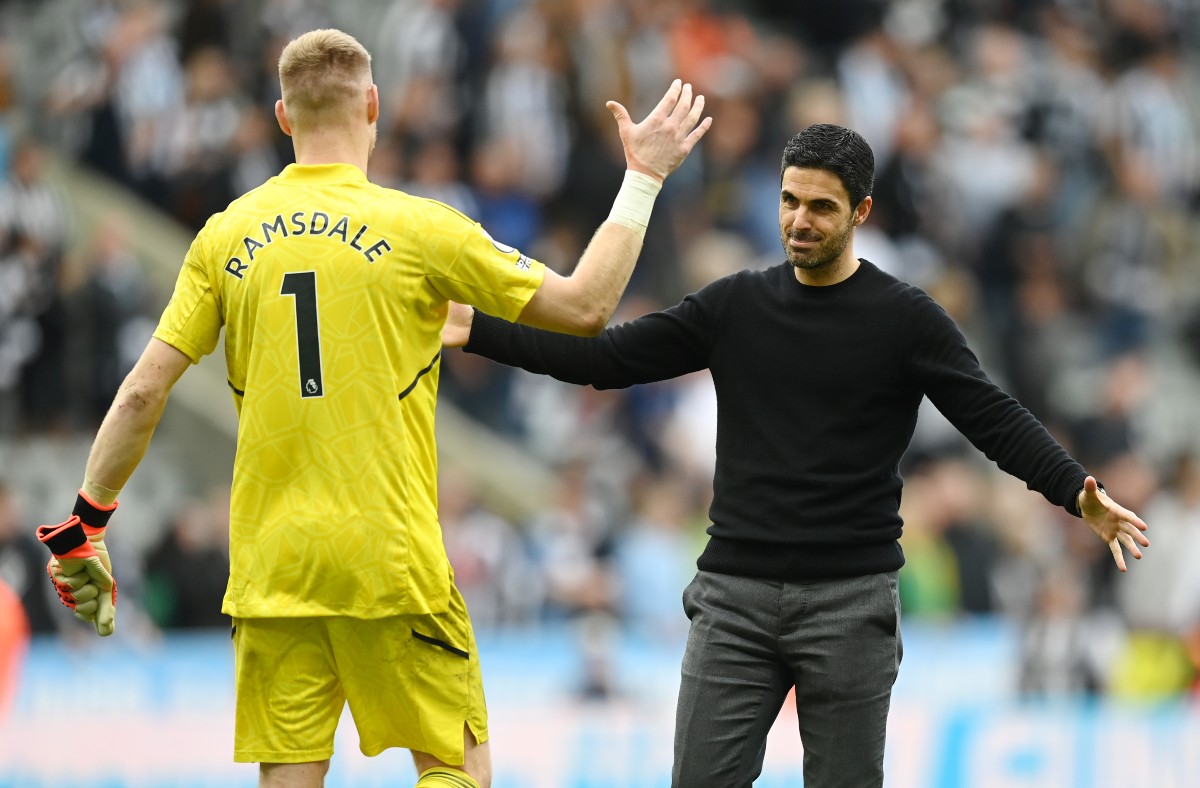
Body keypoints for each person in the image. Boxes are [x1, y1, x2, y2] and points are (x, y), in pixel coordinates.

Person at [36, 28, 710, 788]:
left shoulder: (223, 238)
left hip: (273, 568)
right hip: (390, 562)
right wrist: (644, 177)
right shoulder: (420, 229)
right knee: (456, 769)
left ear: (283, 117)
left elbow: (142, 390)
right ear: (375, 107)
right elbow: (586, 306)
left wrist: (85, 523)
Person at [442, 123, 1151, 787]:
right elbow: (604, 358)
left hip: (850, 606)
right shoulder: (736, 306)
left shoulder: (906, 319)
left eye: (820, 206)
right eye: (788, 200)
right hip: (734, 602)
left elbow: (992, 417)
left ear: (862, 211)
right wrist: (477, 328)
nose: (798, 220)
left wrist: (1074, 491)